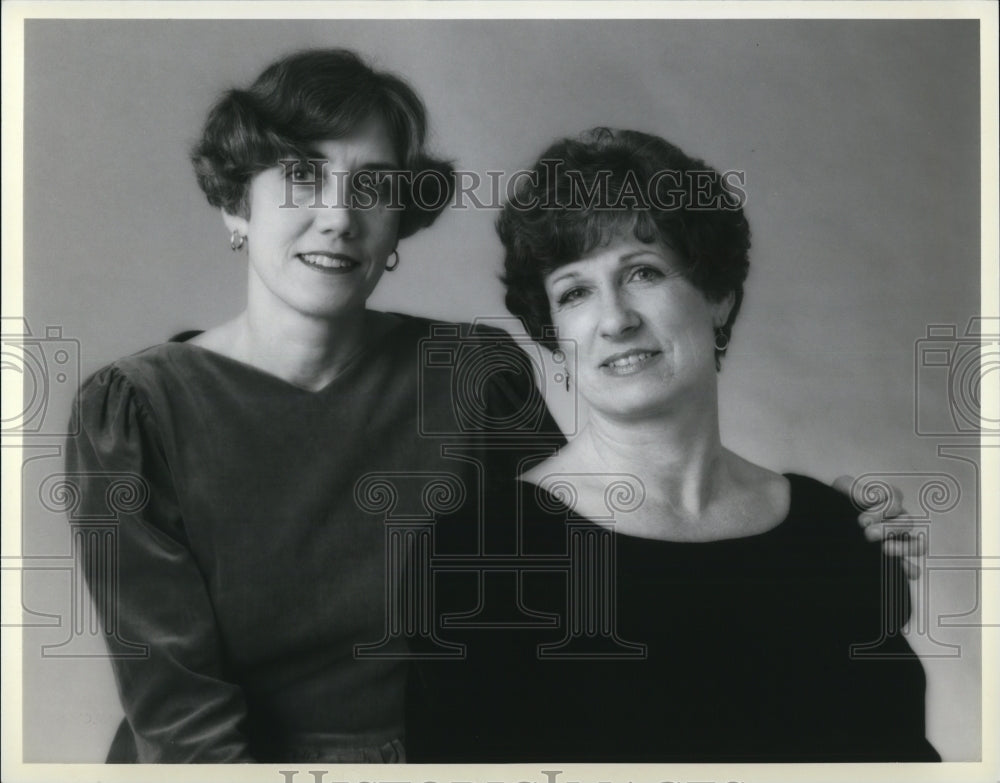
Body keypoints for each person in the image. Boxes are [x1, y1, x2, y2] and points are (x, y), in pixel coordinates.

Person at [65, 51, 917, 763]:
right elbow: (179, 715)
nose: (337, 215)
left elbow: (597, 554)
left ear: (401, 223)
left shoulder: (470, 373)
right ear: (232, 205)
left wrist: (835, 550)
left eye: (372, 185)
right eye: (299, 177)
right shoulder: (135, 412)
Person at [406, 128, 939, 762]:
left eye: (644, 272)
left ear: (717, 297)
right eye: (575, 291)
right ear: (552, 331)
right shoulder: (480, 553)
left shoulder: (833, 530)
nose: (615, 319)